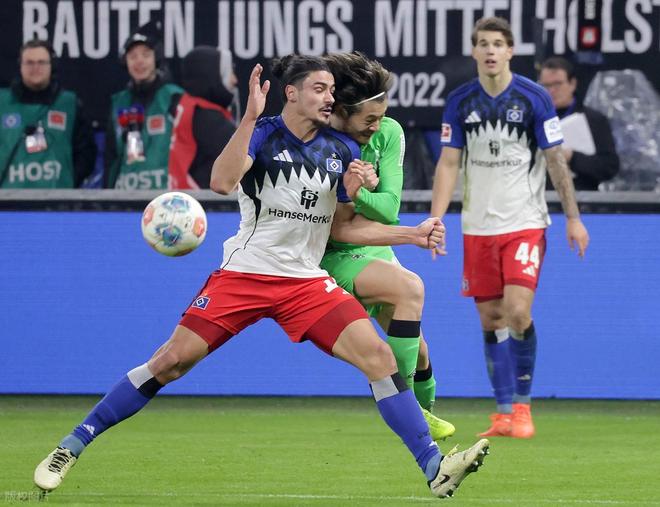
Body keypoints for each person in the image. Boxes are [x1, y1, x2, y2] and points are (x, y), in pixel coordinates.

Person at [34, 55, 490, 499]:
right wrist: (250, 117)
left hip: (306, 282)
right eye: (319, 89)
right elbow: (220, 182)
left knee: (379, 358)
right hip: (246, 275)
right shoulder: (262, 133)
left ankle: (434, 467)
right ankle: (71, 446)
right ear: (290, 93)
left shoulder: (342, 151)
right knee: (170, 361)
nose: (329, 98)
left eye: (332, 90)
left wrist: (410, 233)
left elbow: (342, 229)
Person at [430, 17, 590, 439]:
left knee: (518, 312)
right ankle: (502, 413)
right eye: (483, 43)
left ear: (510, 51)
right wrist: (436, 218)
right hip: (477, 227)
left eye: (498, 44)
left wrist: (573, 217)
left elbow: (555, 160)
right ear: (474, 51)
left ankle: (522, 408)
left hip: (525, 222)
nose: (490, 51)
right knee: (491, 318)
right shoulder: (460, 101)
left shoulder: (534, 97)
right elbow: (449, 163)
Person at [320, 51, 455, 441]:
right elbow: (339, 228)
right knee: (410, 287)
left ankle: (421, 424)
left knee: (420, 352)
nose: (377, 125)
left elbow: (389, 209)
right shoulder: (319, 143)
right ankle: (408, 413)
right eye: (369, 119)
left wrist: (360, 193)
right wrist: (360, 195)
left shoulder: (389, 133)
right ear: (341, 111)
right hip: (329, 253)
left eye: (381, 116)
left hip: (371, 244)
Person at [0, 39, 96, 188]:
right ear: (20, 66)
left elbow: (86, 153)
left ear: (52, 66)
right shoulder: (3, 102)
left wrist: (68, 183)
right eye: (29, 63)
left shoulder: (69, 104)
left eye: (41, 62)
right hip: (8, 198)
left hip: (57, 199)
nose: (35, 67)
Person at [104, 20, 183, 189]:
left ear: (156, 58)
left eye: (146, 55)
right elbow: (111, 158)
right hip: (124, 195)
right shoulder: (118, 102)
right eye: (133, 56)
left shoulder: (174, 97)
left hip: (165, 195)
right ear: (125, 61)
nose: (139, 61)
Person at [539, 56, 619, 191]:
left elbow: (609, 167)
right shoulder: (531, 120)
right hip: (541, 197)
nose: (551, 91)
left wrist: (572, 157)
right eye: (546, 86)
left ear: (572, 84)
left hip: (582, 196)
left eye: (557, 84)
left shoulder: (594, 120)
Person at [169, 46, 238, 189]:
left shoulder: (185, 107)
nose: (234, 80)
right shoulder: (211, 121)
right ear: (211, 76)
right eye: (227, 73)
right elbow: (243, 164)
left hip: (183, 196)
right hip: (208, 200)